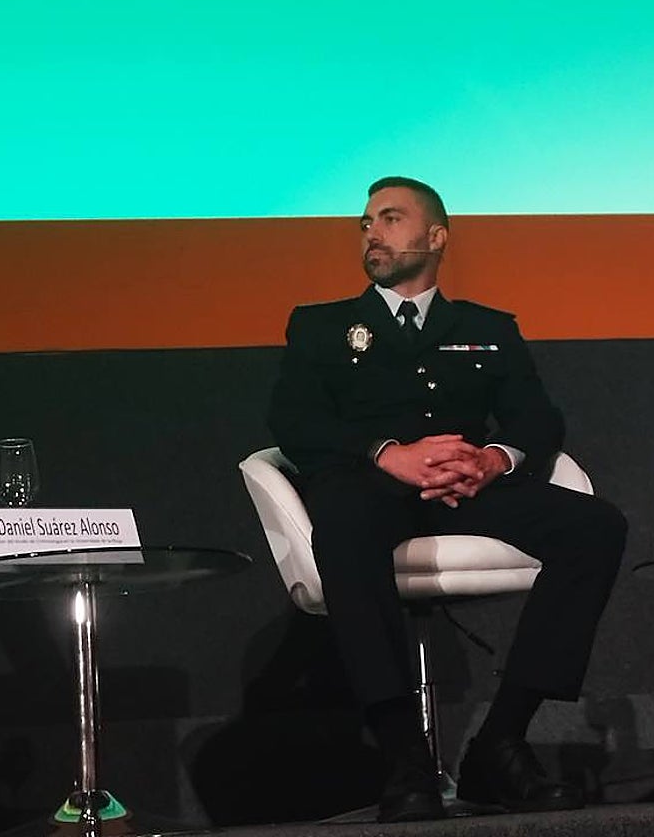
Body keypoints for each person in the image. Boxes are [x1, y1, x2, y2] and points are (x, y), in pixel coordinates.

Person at [267, 176, 626, 822]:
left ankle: (503, 738)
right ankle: (404, 754)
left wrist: (493, 459)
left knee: (595, 527)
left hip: (467, 486)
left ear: (435, 237)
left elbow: (537, 421)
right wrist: (388, 454)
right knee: (345, 521)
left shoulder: (488, 328)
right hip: (370, 483)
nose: (372, 232)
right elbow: (295, 423)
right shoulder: (322, 326)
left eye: (391, 218)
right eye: (366, 222)